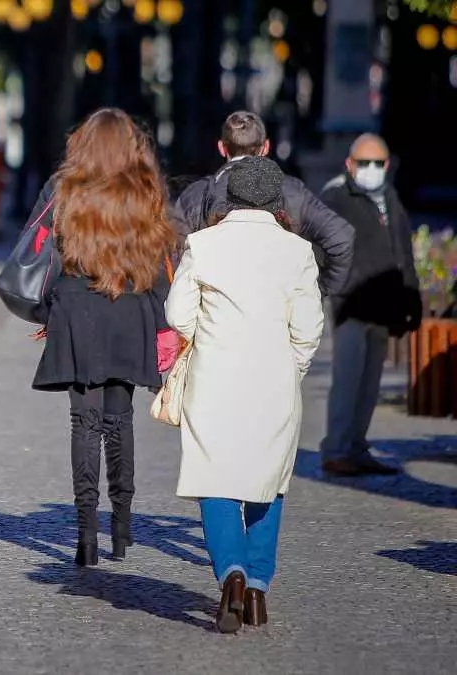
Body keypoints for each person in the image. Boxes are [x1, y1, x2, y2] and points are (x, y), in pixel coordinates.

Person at [166, 156, 325, 633]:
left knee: (215, 481)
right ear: (277, 202)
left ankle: (230, 573)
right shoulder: (297, 252)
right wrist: (292, 366)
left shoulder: (202, 243)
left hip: (214, 378)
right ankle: (257, 587)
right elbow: (308, 328)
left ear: (228, 198)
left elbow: (177, 313)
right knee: (268, 481)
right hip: (274, 381)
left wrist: (206, 337)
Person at [29, 108, 178, 567]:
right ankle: (122, 526)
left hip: (77, 310)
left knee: (84, 423)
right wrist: (164, 326)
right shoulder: (146, 190)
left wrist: (48, 310)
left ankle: (85, 534)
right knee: (120, 418)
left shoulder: (65, 190)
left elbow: (40, 253)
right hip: (130, 309)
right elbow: (159, 260)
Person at [317, 134, 420, 477]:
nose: (372, 170)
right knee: (347, 381)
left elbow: (402, 250)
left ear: (387, 165)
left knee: (370, 384)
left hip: (384, 307)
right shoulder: (335, 197)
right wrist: (333, 287)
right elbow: (319, 248)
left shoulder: (389, 197)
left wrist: (411, 297)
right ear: (349, 164)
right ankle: (336, 449)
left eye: (378, 163)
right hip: (351, 306)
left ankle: (357, 447)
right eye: (365, 163)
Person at [170, 111, 353, 295]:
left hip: (215, 315)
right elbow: (342, 239)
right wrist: (317, 291)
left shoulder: (195, 196)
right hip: (280, 312)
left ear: (221, 147)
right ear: (265, 147)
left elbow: (176, 259)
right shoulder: (292, 191)